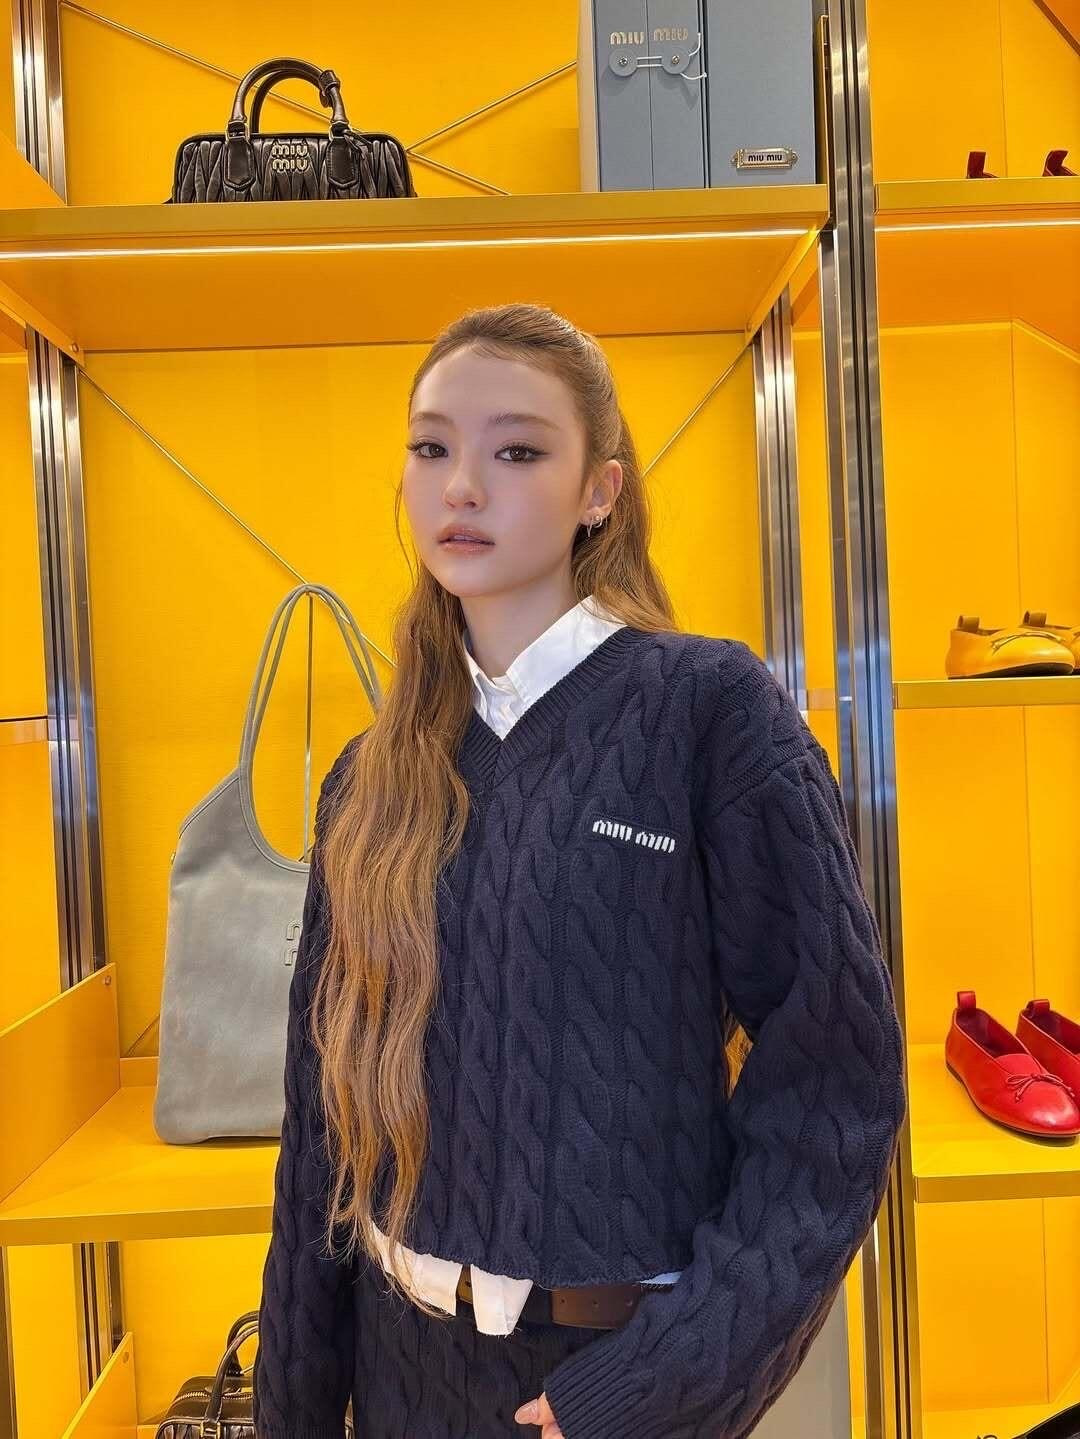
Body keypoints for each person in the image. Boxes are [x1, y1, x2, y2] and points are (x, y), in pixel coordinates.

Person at [251, 301, 907, 1439]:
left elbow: (837, 1085)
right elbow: (322, 1129)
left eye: (516, 451)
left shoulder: (709, 713)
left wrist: (663, 1382)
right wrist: (293, 1414)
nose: (462, 486)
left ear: (599, 491)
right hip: (402, 1376)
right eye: (431, 447)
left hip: (612, 1387)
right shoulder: (371, 774)